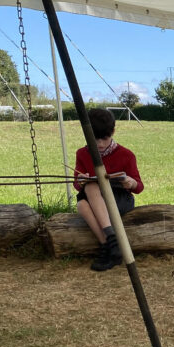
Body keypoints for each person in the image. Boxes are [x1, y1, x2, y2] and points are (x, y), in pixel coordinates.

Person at [72, 107, 144, 272]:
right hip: (93, 197)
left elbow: (139, 187)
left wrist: (130, 182)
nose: (100, 144)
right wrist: (81, 180)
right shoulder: (82, 154)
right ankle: (111, 244)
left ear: (113, 132)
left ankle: (108, 243)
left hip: (119, 199)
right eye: (95, 139)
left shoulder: (126, 154)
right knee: (83, 201)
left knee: (87, 196)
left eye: (104, 138)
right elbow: (77, 184)